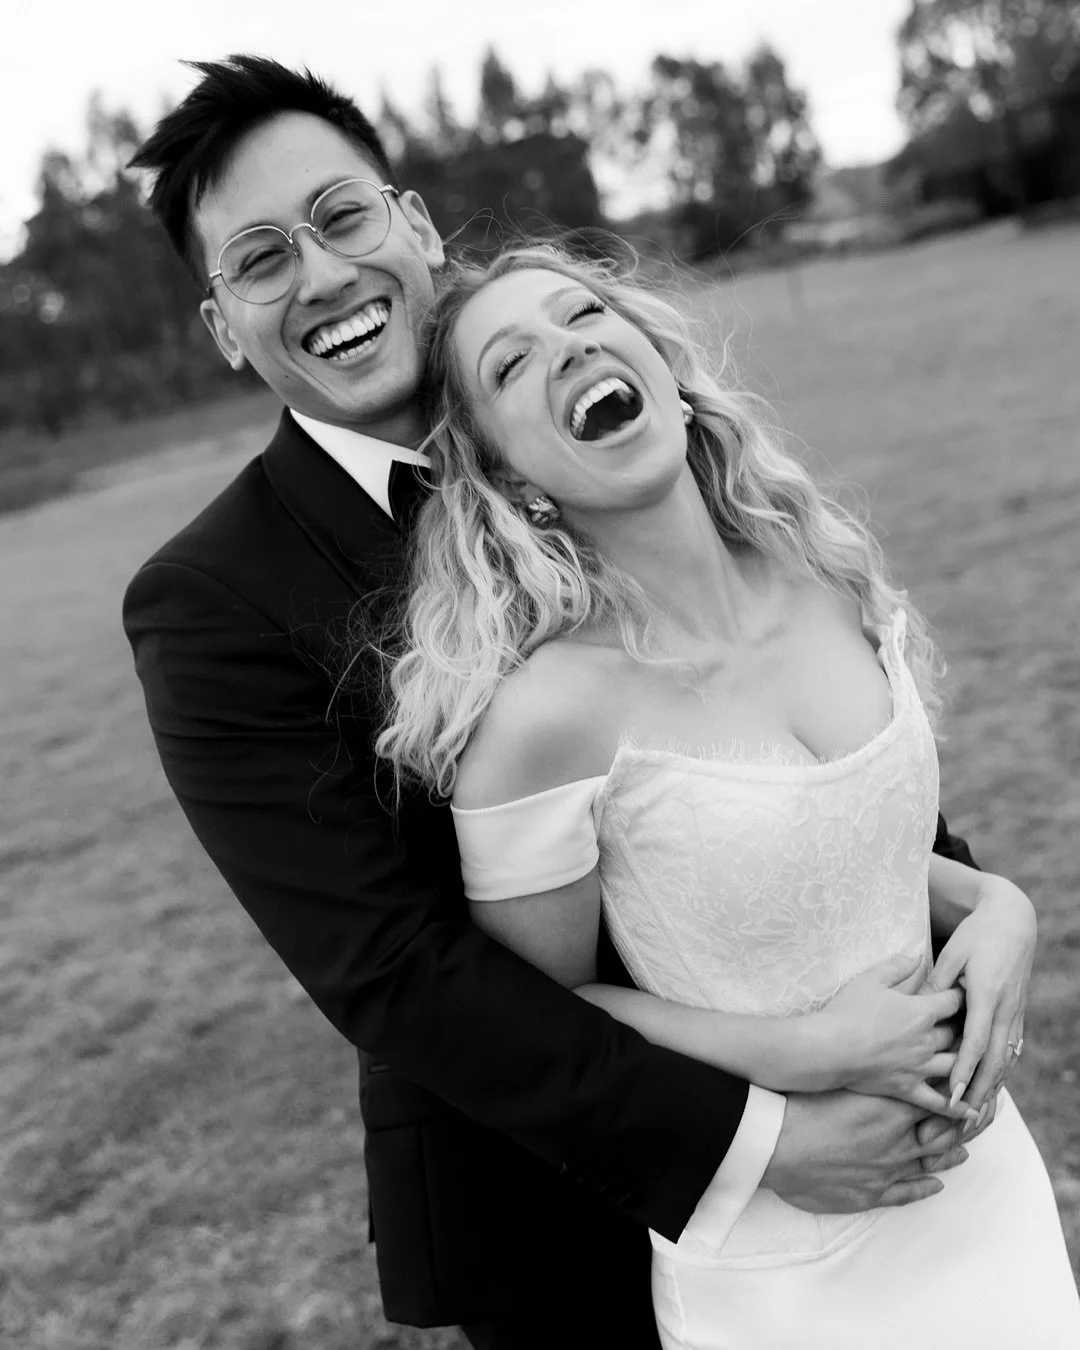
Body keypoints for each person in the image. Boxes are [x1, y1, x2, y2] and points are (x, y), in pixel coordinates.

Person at [125, 56, 1005, 1348]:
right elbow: (399, 974)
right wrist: (762, 1135)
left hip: (881, 1107)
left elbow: (773, 709)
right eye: (259, 259)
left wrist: (982, 899)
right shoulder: (208, 602)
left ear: (412, 223)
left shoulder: (596, 421)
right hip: (559, 1211)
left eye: (341, 216)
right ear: (224, 325)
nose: (319, 277)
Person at [376, 246, 1080, 1347]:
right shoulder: (544, 724)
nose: (569, 347)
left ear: (657, 357)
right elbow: (551, 1016)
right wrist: (804, 1057)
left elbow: (850, 846)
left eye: (585, 315)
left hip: (984, 1180)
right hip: (792, 1256)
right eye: (515, 364)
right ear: (508, 475)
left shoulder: (824, 575)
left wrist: (1003, 908)